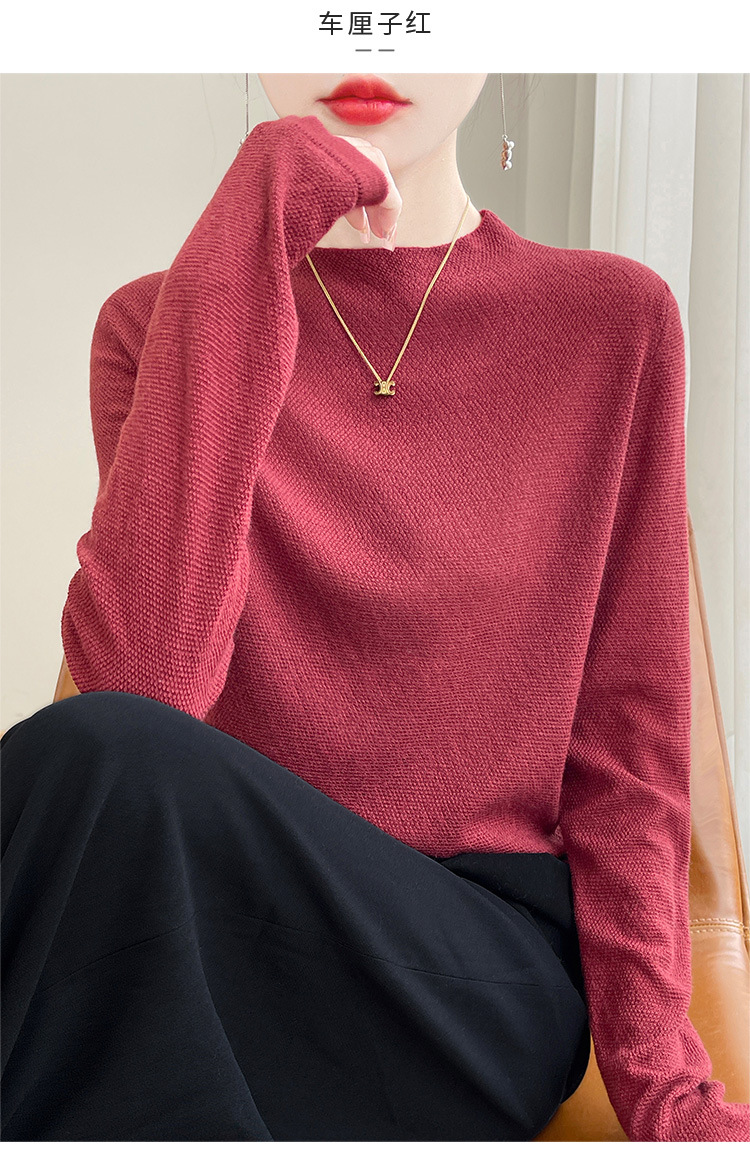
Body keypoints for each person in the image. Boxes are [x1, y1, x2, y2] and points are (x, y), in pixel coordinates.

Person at [1, 73, 748, 1143]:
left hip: (473, 980)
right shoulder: (155, 323)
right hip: (232, 938)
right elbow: (149, 683)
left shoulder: (611, 320)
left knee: (82, 769)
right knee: (97, 801)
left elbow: (628, 743)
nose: (369, 38)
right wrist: (252, 230)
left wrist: (665, 1090)